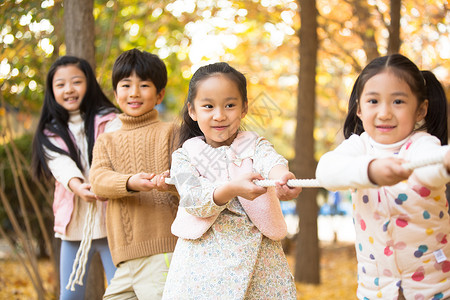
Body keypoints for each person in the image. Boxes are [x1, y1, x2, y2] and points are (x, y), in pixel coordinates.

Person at [316, 53, 450, 300]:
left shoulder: (423, 145)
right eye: (373, 101)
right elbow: (326, 172)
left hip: (432, 288)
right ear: (359, 108)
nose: (385, 113)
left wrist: (444, 162)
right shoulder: (359, 147)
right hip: (376, 289)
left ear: (420, 110)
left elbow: (430, 170)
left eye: (398, 102)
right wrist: (370, 170)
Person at [162, 62, 301, 299]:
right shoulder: (184, 156)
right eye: (208, 106)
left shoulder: (254, 145)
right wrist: (232, 189)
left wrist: (282, 179)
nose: (219, 115)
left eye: (229, 105)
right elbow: (193, 198)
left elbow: (273, 162)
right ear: (192, 111)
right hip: (201, 260)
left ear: (244, 108)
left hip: (259, 261)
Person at [89, 48, 179, 300]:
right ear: (116, 92)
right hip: (124, 257)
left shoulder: (171, 132)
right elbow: (98, 181)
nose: (134, 93)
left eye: (144, 85)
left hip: (162, 251)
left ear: (160, 94)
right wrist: (130, 182)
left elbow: (190, 179)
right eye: (126, 85)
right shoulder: (106, 140)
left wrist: (168, 182)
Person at [31, 56, 118, 300]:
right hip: (74, 226)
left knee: (122, 293)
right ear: (52, 91)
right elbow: (61, 164)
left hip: (112, 223)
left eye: (76, 81)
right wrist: (78, 186)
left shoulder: (111, 120)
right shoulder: (50, 131)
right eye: (60, 84)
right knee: (70, 295)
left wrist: (106, 184)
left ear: (89, 84)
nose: (69, 89)